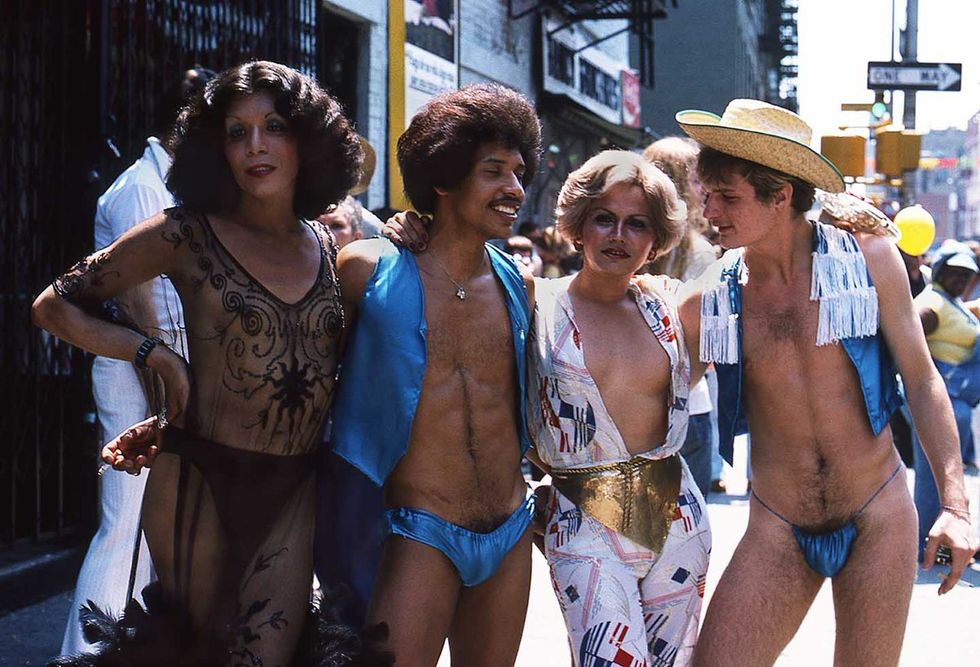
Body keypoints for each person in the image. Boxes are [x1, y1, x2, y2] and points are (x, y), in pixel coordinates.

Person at [33, 61, 365, 664]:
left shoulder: (326, 244)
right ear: (216, 147)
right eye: (237, 132)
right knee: (198, 654)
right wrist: (154, 355)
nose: (256, 146)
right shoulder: (183, 233)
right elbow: (54, 306)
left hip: (294, 489)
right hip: (198, 479)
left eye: (274, 127)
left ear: (308, 138)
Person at [671, 99, 973, 665]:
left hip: (878, 515)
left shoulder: (866, 258)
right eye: (707, 195)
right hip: (778, 526)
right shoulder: (709, 300)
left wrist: (956, 505)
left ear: (781, 194)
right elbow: (650, 411)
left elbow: (922, 378)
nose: (709, 211)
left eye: (727, 197)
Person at [331, 83, 541, 665]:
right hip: (417, 530)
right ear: (444, 178)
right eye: (494, 171)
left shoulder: (519, 285)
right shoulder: (367, 270)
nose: (515, 189)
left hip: (509, 528)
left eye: (519, 171)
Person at [526, 150, 710, 666]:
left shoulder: (675, 308)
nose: (618, 236)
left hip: (677, 517)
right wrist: (411, 226)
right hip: (582, 517)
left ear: (655, 243)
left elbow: (759, 268)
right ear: (578, 228)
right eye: (604, 219)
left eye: (637, 224)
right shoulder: (534, 303)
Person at [59, 65, 214, 657]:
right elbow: (138, 303)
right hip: (136, 367)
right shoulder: (142, 189)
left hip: (160, 367)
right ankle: (81, 653)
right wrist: (161, 387)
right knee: (124, 523)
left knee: (152, 528)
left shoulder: (171, 187)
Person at [643, 136, 719, 497]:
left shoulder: (626, 242)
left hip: (632, 409)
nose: (704, 190)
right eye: (697, 179)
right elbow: (702, 342)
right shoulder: (699, 253)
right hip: (687, 410)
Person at [912, 242, 980, 551]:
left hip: (958, 405)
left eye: (967, 275)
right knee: (933, 475)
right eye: (954, 272)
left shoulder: (950, 301)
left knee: (947, 476)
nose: (960, 280)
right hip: (940, 403)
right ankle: (929, 542)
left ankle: (941, 540)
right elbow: (906, 341)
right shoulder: (932, 304)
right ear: (940, 270)